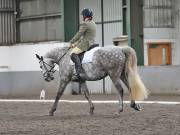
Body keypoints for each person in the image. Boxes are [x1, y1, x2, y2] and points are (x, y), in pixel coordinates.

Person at [69, 8, 96, 80]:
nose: (82, 17)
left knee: (72, 53)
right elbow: (85, 36)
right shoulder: (93, 23)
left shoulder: (85, 24)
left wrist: (71, 41)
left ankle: (79, 72)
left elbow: (79, 34)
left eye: (83, 16)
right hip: (92, 43)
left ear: (85, 16)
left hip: (86, 44)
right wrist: (75, 44)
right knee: (75, 50)